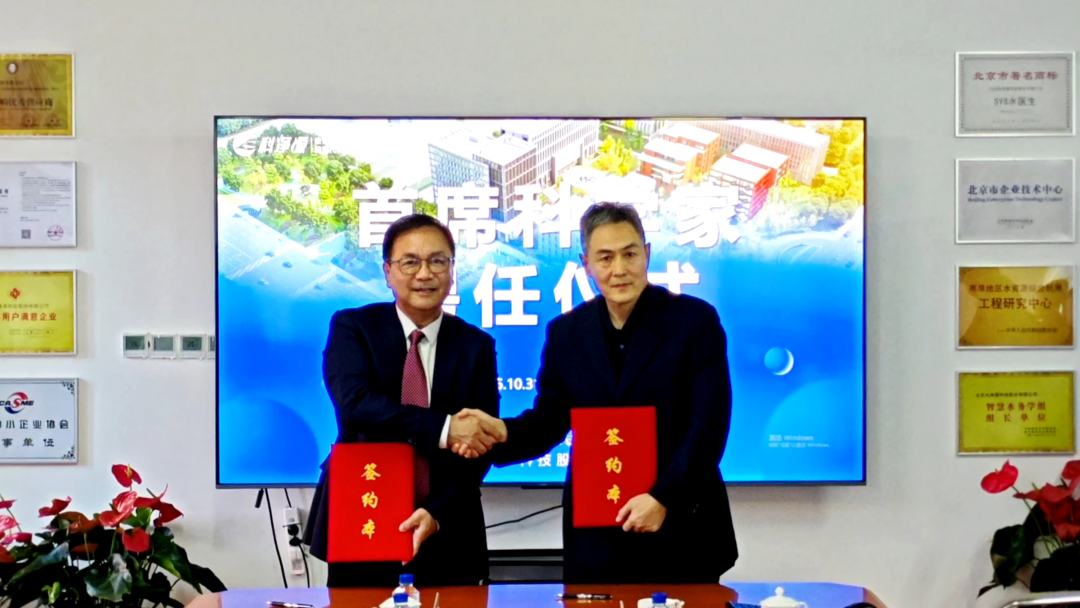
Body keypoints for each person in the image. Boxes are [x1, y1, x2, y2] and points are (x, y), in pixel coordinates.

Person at [455, 202, 738, 583]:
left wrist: (664, 498)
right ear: (586, 263)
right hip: (598, 534)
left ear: (647, 253)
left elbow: (708, 425)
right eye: (605, 257)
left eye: (629, 254)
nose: (619, 269)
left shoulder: (694, 321)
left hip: (682, 526)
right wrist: (502, 432)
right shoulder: (567, 333)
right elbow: (550, 420)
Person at [304, 214, 506, 587]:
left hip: (449, 522)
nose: (424, 274)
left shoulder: (476, 345)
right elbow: (356, 404)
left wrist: (435, 512)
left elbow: (479, 443)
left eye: (437, 261)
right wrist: (445, 428)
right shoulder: (353, 327)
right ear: (388, 271)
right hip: (363, 512)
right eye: (410, 262)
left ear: (452, 269)